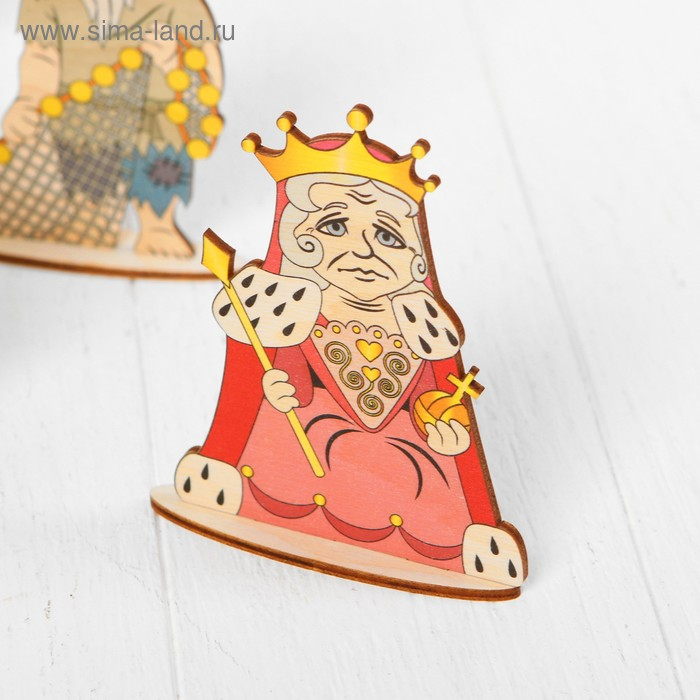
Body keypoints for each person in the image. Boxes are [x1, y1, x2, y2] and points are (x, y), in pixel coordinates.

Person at [175, 106, 526, 587]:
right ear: (297, 238)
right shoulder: (296, 308)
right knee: (280, 446)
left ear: (415, 253)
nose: (362, 251)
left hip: (404, 469)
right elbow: (284, 372)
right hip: (306, 452)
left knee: (422, 486)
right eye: (335, 227)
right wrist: (283, 389)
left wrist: (442, 427)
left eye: (386, 235)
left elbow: (431, 397)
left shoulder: (418, 326)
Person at [0, 0, 223, 258]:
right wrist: (29, 101)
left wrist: (176, 61)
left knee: (160, 156)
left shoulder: (178, 5)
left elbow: (209, 79)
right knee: (85, 172)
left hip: (155, 114)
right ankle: (88, 214)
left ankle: (158, 224)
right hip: (82, 113)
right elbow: (41, 56)